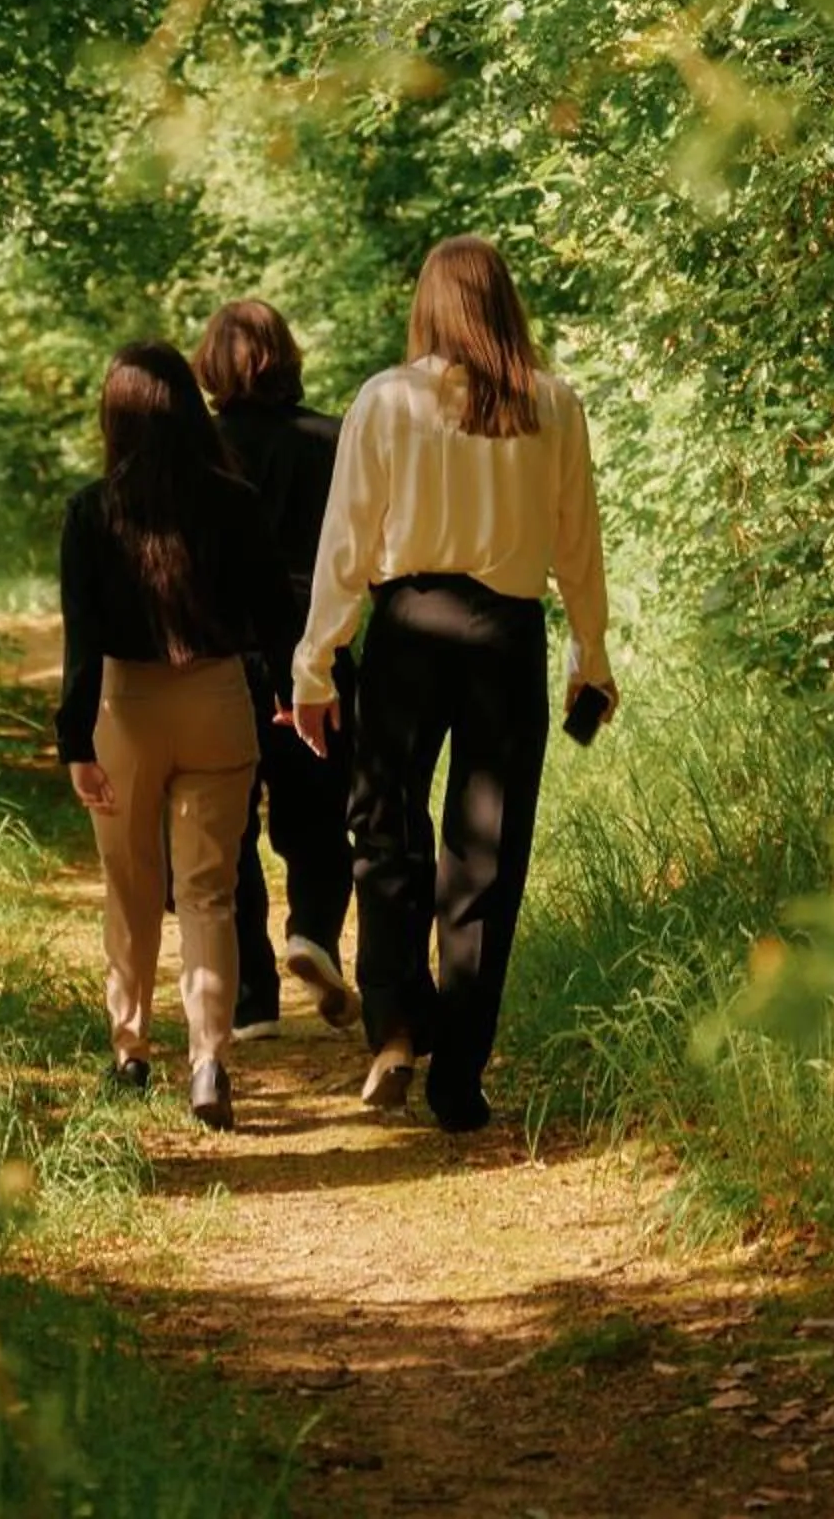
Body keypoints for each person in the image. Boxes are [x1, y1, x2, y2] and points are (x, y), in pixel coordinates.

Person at [286, 237, 615, 1134]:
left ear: (429, 305)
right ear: (505, 303)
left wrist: (315, 664)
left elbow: (346, 542)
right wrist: (592, 652)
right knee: (489, 854)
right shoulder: (554, 404)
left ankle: (394, 1020)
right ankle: (459, 1081)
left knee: (385, 820)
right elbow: (578, 541)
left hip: (409, 630)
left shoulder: (387, 400)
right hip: (506, 639)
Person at [56, 341, 290, 1132]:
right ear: (193, 409)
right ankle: (208, 1058)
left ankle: (129, 1051)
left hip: (125, 708)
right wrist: (293, 692)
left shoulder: (91, 512)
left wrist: (76, 742)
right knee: (208, 892)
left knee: (130, 889)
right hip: (217, 699)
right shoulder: (234, 498)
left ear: (115, 417)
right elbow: (272, 616)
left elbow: (81, 640)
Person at [192, 300, 362, 1040]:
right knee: (320, 806)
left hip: (225, 651)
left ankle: (252, 997)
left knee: (227, 826)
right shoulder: (335, 439)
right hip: (316, 645)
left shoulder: (200, 449)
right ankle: (315, 935)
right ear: (288, 356)